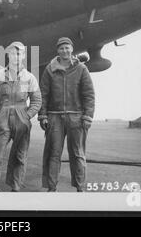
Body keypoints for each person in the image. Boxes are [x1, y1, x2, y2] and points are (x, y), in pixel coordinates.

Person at [38, 37, 95, 192]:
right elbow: (43, 94)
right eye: (61, 48)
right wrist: (42, 115)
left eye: (67, 48)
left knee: (77, 154)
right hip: (54, 117)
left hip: (76, 117)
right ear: (58, 50)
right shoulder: (49, 69)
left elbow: (89, 94)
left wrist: (88, 116)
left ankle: (80, 188)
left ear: (72, 49)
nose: (65, 51)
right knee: (53, 154)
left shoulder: (81, 69)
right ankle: (51, 188)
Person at [0, 41, 42, 192]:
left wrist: (27, 115)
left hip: (21, 119)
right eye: (12, 53)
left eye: (18, 53)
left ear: (23, 56)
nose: (15, 57)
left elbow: (37, 100)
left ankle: (16, 188)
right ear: (7, 55)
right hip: (2, 118)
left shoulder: (30, 77)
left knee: (20, 156)